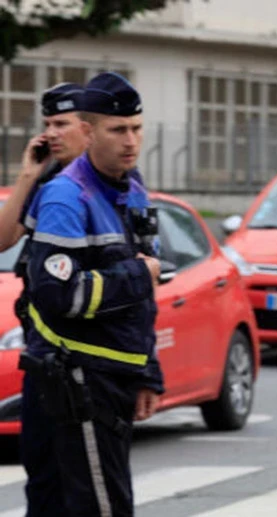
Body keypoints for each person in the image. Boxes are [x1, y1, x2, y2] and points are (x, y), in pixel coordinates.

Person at [19, 72, 164, 517]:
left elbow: (140, 304)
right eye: (117, 130)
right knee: (100, 508)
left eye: (137, 129)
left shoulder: (132, 188)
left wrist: (148, 371)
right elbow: (57, 295)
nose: (130, 141)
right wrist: (138, 277)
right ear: (88, 131)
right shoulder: (66, 196)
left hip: (114, 375)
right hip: (77, 378)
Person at [1, 83, 89, 344]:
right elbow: (4, 240)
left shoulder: (109, 181)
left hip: (86, 335)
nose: (51, 133)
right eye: (47, 125)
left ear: (88, 128)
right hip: (43, 337)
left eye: (61, 124)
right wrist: (28, 175)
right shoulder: (46, 180)